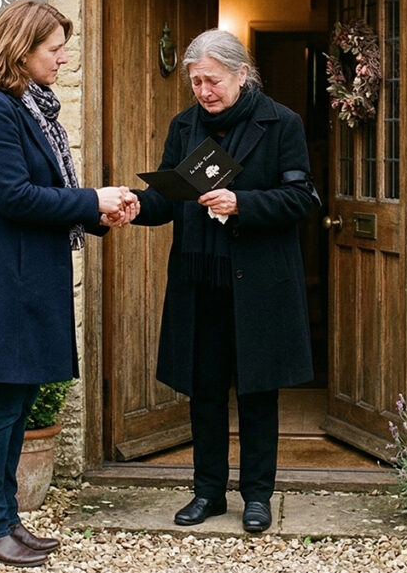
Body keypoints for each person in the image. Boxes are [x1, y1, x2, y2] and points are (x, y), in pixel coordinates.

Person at [0, 0, 136, 567]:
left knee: (18, 400)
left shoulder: (28, 109)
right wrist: (91, 200)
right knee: (0, 405)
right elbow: (14, 196)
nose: (63, 59)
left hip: (26, 276)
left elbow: (40, 194)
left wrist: (96, 212)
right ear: (21, 50)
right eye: (54, 49)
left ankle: (6, 520)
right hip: (0, 281)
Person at [131, 29, 318, 533]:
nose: (204, 92)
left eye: (212, 81)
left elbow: (303, 199)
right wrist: (130, 205)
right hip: (199, 280)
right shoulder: (186, 125)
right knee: (204, 391)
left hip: (258, 283)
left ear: (241, 74)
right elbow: (168, 198)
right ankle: (208, 492)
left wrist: (243, 203)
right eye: (196, 83)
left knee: (258, 393)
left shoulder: (281, 123)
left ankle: (257, 496)